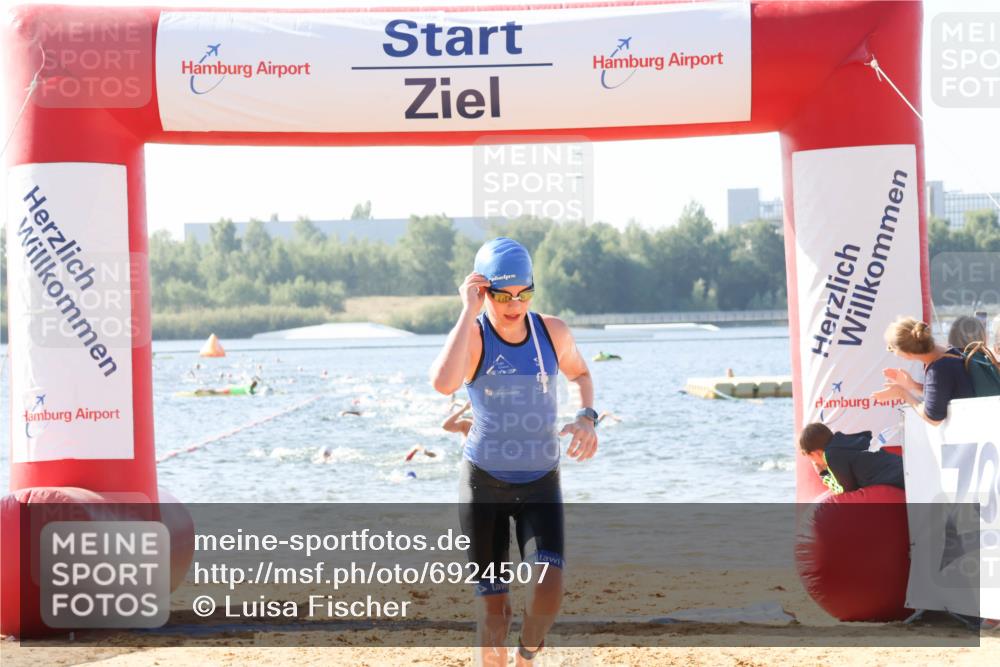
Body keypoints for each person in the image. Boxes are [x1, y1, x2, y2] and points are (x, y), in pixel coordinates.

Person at [429, 237, 598, 667]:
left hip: (540, 482)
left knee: (547, 593)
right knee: (494, 614)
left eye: (525, 293)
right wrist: (467, 312)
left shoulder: (551, 332)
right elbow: (443, 384)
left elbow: (580, 373)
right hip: (483, 482)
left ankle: (526, 657)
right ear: (482, 291)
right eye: (503, 295)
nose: (514, 304)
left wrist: (586, 417)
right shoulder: (475, 336)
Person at [873, 316, 974, 425]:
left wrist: (902, 393)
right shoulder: (951, 352)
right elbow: (943, 393)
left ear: (907, 354)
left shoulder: (938, 370)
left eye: (891, 348)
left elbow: (933, 418)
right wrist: (913, 385)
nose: (893, 352)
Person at [799, 422, 904, 494]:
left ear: (815, 453)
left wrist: (823, 474)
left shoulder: (832, 455)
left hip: (899, 480)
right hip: (903, 467)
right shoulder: (845, 441)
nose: (814, 462)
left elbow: (845, 491)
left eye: (811, 459)